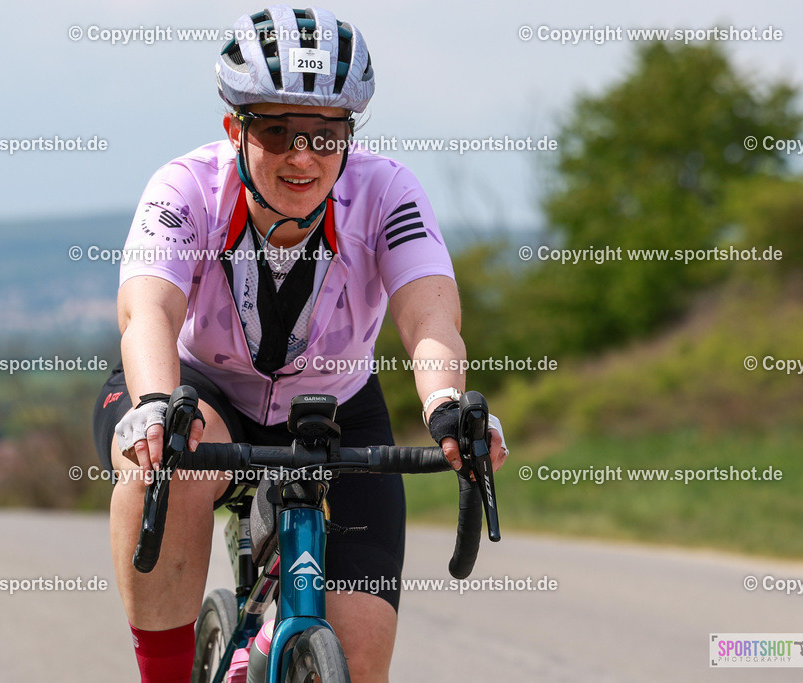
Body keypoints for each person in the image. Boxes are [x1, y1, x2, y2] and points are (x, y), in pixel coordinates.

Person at [91, 6, 508, 682]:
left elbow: (428, 318)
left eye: (325, 134)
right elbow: (148, 313)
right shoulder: (185, 188)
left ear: (349, 135)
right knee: (167, 461)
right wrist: (158, 401)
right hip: (200, 390)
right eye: (278, 130)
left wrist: (448, 405)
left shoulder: (387, 192)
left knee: (362, 661)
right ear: (235, 128)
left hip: (335, 409)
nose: (302, 155)